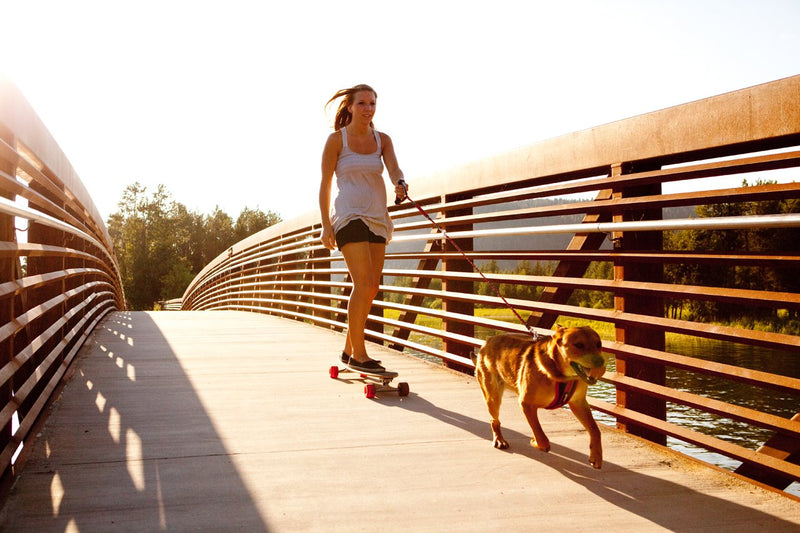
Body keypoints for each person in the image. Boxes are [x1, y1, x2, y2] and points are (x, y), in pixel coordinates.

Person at [319, 83, 407, 375]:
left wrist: (400, 182)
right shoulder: (336, 141)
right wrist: (325, 226)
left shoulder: (382, 140)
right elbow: (325, 185)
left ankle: (347, 350)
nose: (368, 109)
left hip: (377, 217)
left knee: (371, 287)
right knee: (364, 283)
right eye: (362, 103)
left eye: (372, 104)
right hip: (348, 216)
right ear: (349, 107)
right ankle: (360, 353)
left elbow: (393, 168)